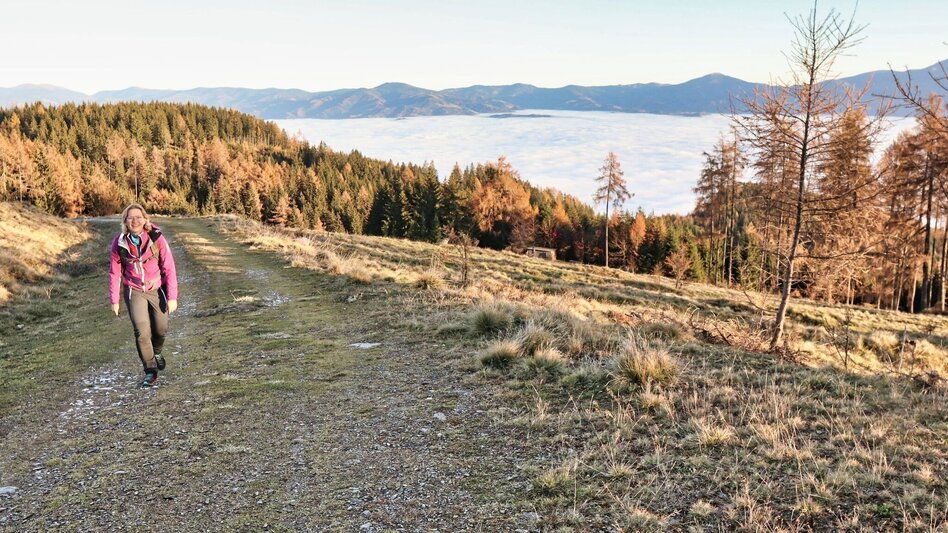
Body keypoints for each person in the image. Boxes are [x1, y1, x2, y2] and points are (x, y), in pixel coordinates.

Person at [108, 204, 178, 387]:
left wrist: (172, 297)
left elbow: (169, 267)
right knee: (141, 331)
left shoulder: (157, 238)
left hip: (156, 289)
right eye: (130, 218)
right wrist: (114, 300)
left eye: (138, 217)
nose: (135, 221)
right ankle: (150, 370)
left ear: (145, 219)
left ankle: (157, 351)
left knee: (161, 329)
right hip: (134, 290)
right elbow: (115, 273)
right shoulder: (120, 243)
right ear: (125, 221)